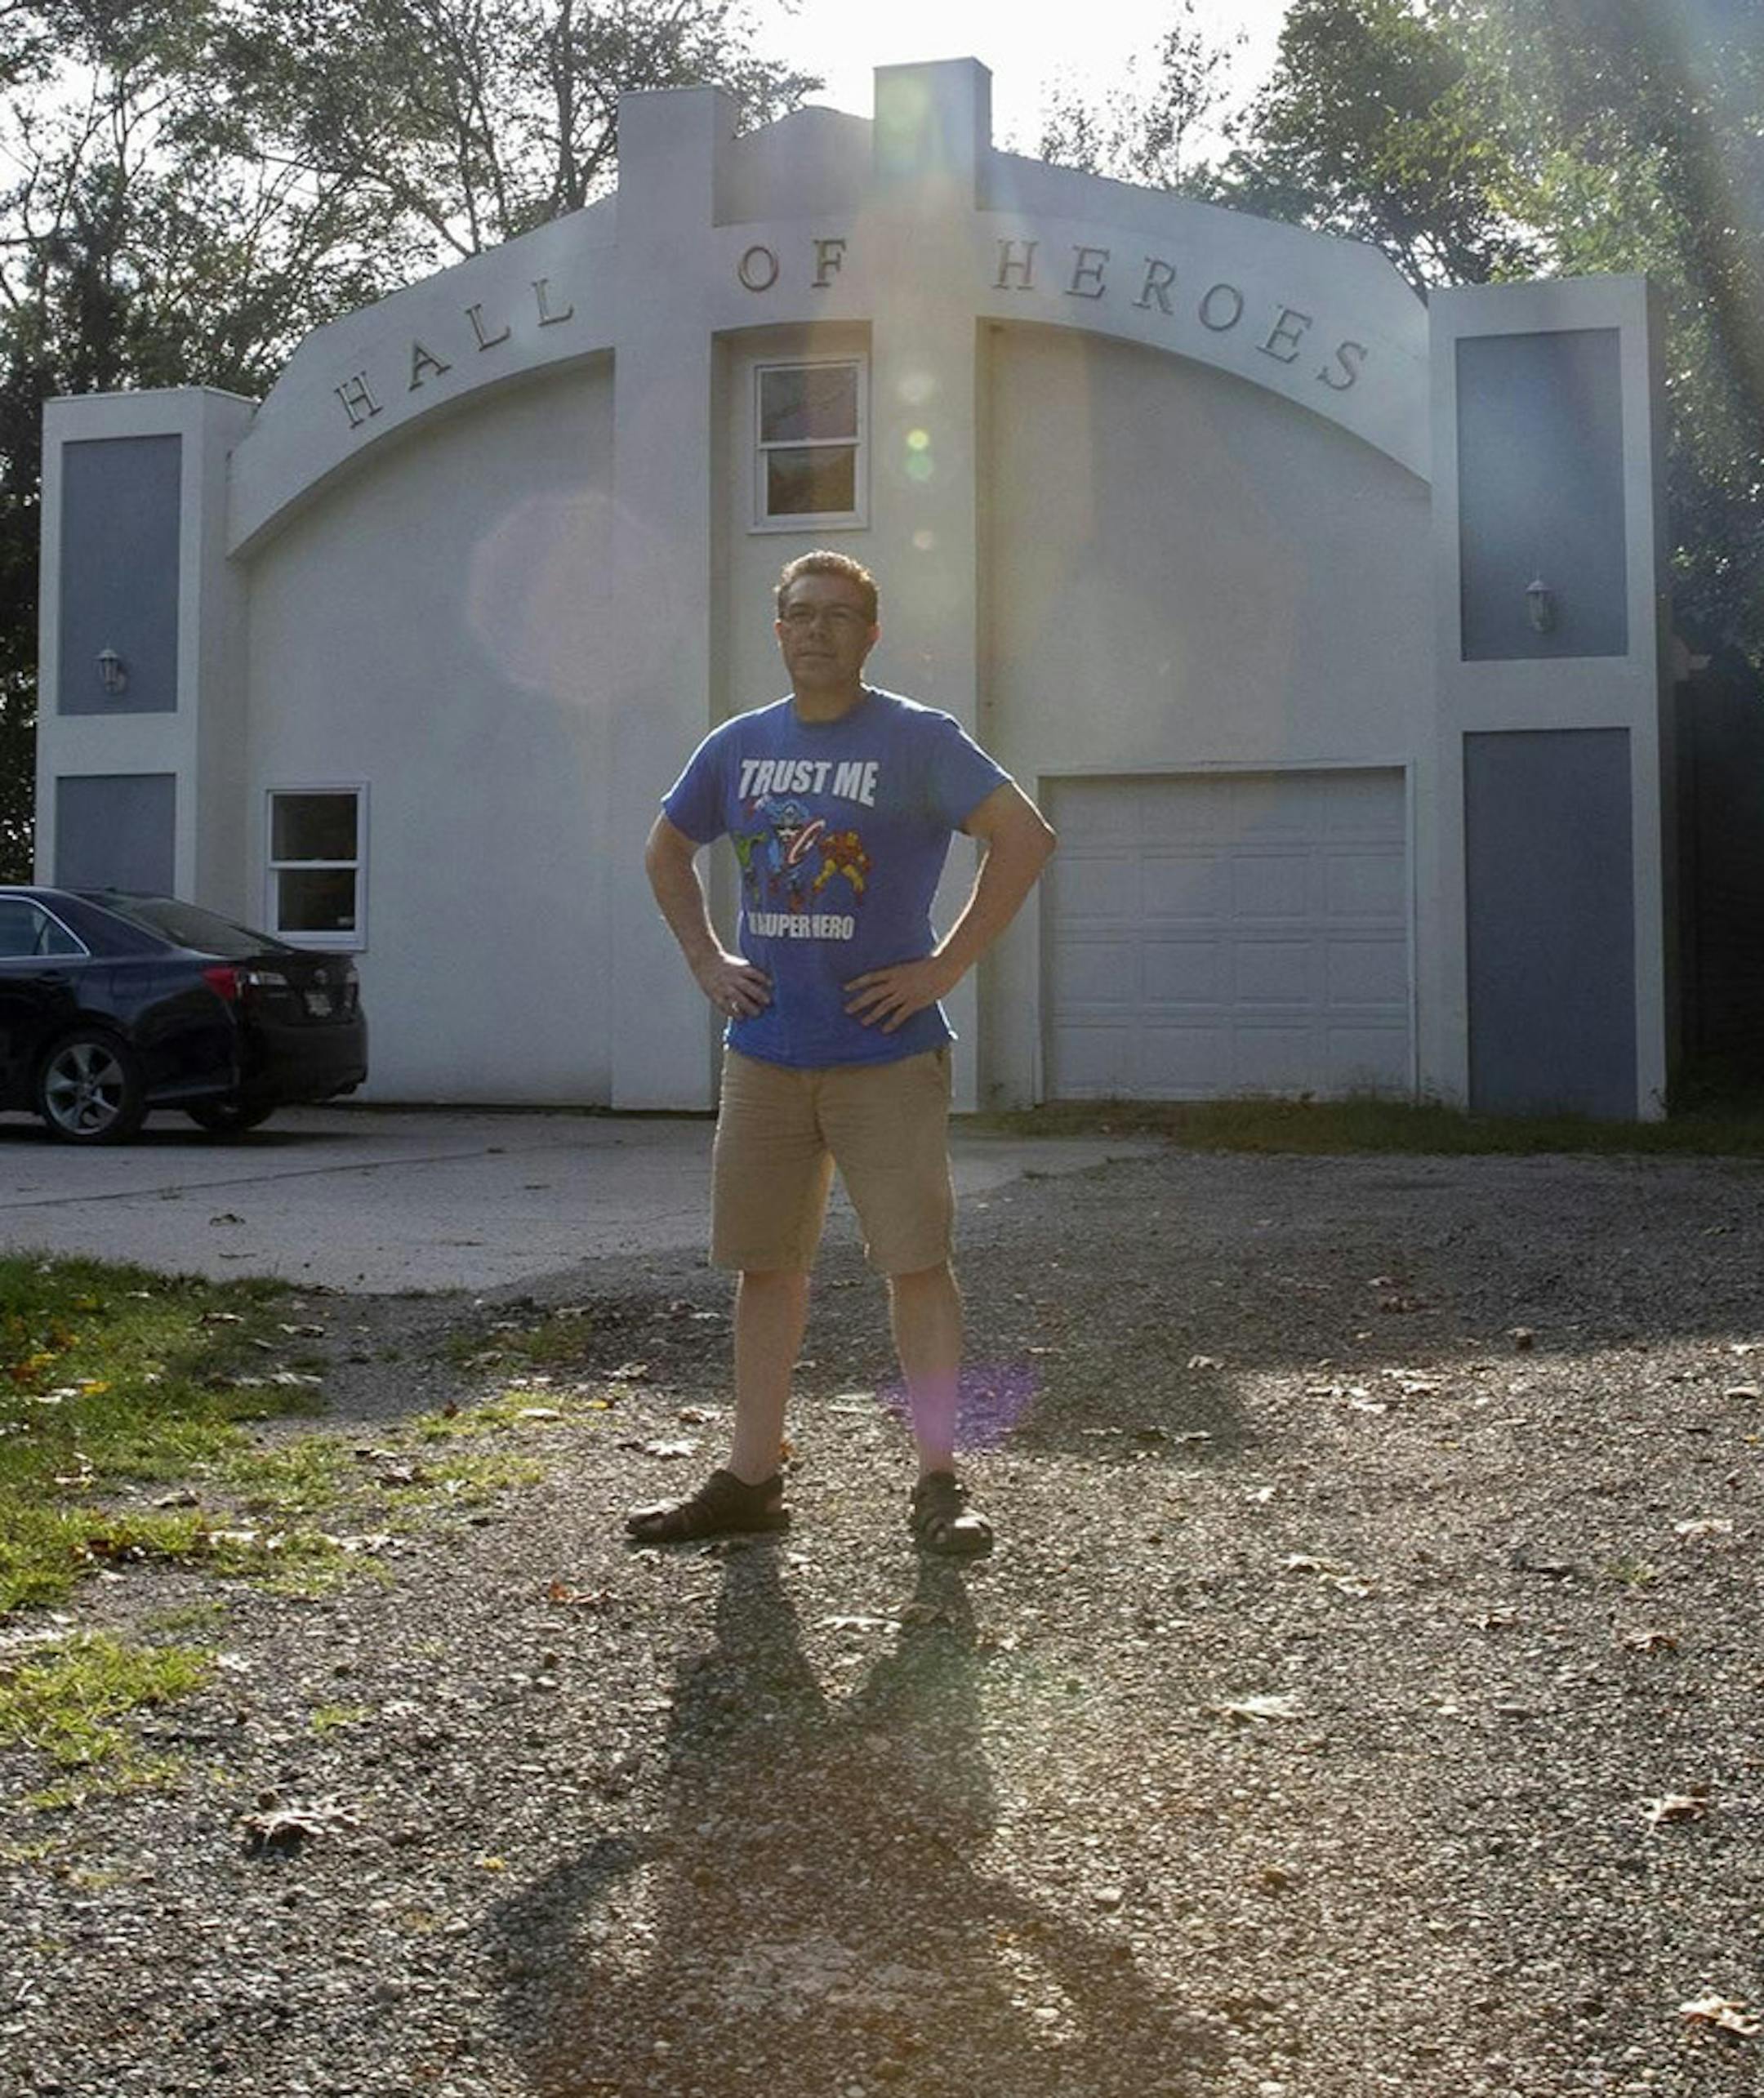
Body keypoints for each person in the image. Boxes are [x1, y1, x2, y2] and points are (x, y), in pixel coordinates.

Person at [629, 550, 1056, 1554]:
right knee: (765, 1267)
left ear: (872, 633)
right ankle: (751, 1479)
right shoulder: (738, 746)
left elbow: (1024, 837)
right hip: (766, 1051)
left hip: (886, 1055)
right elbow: (665, 849)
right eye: (800, 614)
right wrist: (707, 959)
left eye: (839, 615)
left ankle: (941, 1482)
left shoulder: (918, 738)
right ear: (778, 630)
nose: (817, 630)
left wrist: (943, 967)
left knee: (916, 1264)